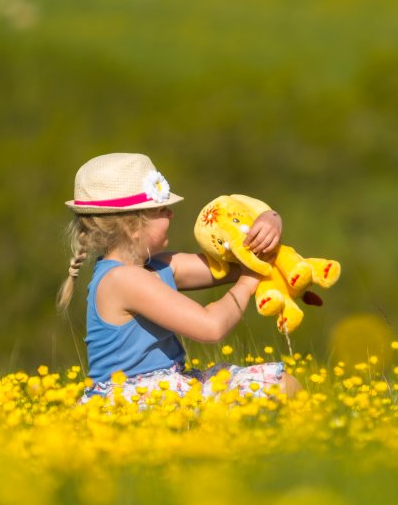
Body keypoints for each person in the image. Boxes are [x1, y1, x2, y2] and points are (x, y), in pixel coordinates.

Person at [56, 152, 303, 401]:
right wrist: (248, 281)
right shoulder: (121, 280)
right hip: (133, 399)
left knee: (284, 383)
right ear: (132, 227)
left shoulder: (158, 266)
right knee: (277, 388)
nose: (171, 215)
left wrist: (269, 219)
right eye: (162, 210)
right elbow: (211, 327)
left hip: (170, 387)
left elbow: (239, 265)